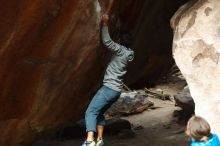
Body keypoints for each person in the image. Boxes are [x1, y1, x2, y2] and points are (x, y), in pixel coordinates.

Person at [81, 14, 134, 146]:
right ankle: (99, 140)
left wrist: (105, 24)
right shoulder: (129, 53)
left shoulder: (120, 51)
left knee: (90, 112)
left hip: (108, 89)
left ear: (121, 41)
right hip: (116, 91)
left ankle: (89, 141)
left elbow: (107, 42)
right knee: (99, 113)